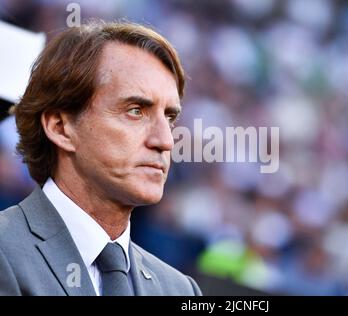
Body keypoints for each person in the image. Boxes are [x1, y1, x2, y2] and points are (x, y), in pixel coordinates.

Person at [0, 21, 202, 296]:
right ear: (60, 127)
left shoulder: (180, 290)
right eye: (135, 111)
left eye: (169, 117)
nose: (165, 141)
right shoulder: (5, 251)